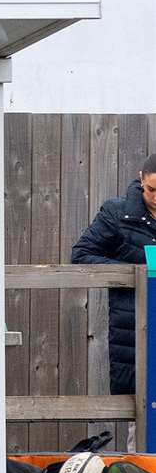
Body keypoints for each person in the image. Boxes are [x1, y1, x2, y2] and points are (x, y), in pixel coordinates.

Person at [70, 153, 156, 395]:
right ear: (141, 179)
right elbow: (81, 255)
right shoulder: (117, 214)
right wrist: (131, 273)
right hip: (135, 325)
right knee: (142, 414)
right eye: (151, 189)